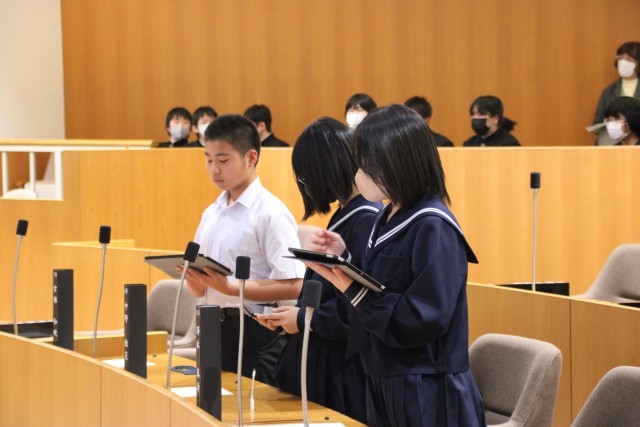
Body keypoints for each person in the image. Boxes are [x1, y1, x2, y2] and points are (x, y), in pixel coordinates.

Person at [306, 105, 486, 426]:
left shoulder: (434, 224)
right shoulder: (386, 216)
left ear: (399, 161)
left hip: (425, 385)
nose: (360, 173)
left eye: (368, 163)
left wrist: (352, 288)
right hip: (382, 374)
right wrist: (343, 261)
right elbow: (382, 283)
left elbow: (424, 316)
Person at [256, 117, 381, 424]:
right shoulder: (348, 214)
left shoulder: (365, 219)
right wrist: (293, 318)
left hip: (342, 370)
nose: (305, 185)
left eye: (305, 176)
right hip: (323, 358)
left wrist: (303, 318)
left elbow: (359, 309)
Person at [182, 114, 304, 386]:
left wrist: (231, 287)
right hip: (213, 327)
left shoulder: (270, 213)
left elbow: (296, 284)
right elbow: (201, 289)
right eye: (208, 160)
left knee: (251, 408)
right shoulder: (211, 212)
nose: (214, 170)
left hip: (256, 334)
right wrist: (195, 281)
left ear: (251, 158)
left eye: (223, 160)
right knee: (212, 404)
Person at [592, 42, 640, 145]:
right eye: (620, 58)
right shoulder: (608, 91)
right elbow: (598, 121)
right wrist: (612, 124)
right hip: (611, 143)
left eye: (629, 59)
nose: (623, 62)